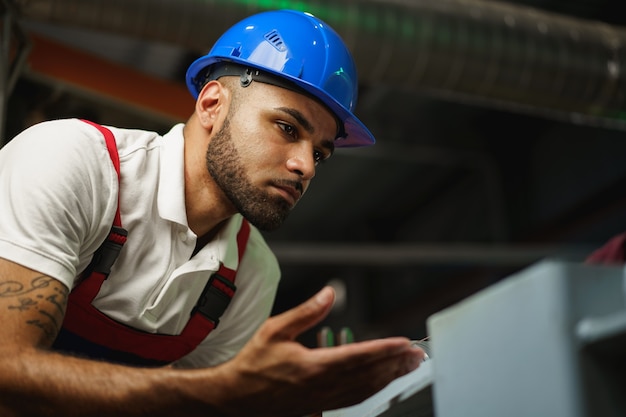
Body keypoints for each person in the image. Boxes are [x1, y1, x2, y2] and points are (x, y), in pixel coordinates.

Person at [0, 9, 425, 417]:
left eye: (320, 153)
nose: (306, 166)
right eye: (287, 129)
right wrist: (219, 393)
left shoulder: (252, 274)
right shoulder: (75, 162)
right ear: (211, 104)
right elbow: (7, 367)